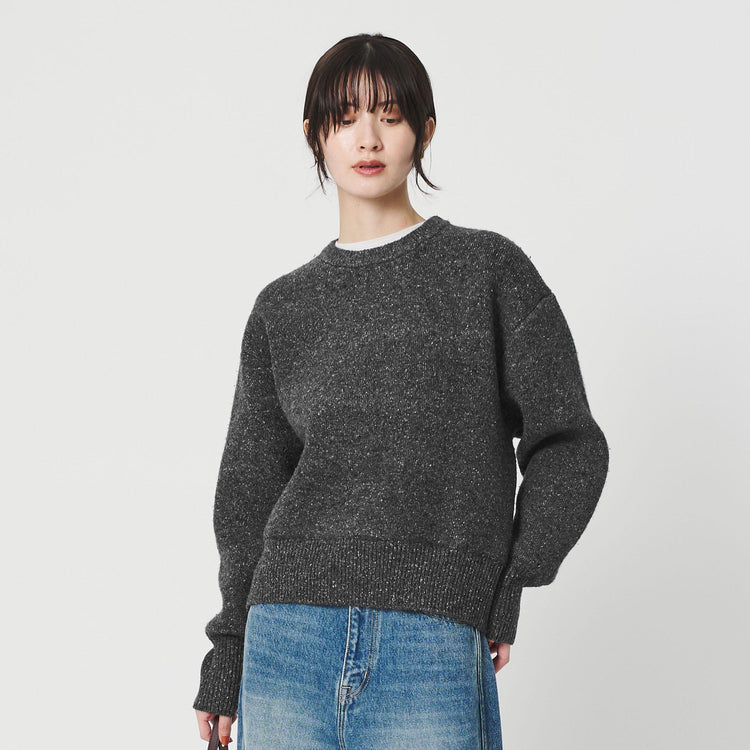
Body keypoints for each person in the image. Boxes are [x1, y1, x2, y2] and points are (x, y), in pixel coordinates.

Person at [193, 32, 609, 750]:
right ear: (314, 135)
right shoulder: (282, 308)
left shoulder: (486, 270)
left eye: (389, 116)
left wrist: (513, 576)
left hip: (432, 637)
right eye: (345, 118)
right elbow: (248, 490)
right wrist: (227, 654)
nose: (368, 138)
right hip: (284, 638)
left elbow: (568, 441)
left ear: (425, 130)